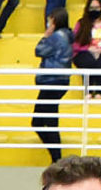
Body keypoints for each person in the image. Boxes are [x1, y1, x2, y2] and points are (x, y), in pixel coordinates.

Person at [30, 13, 71, 162]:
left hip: (52, 81)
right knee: (46, 120)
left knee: (43, 122)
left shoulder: (56, 37)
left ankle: (57, 159)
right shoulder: (67, 35)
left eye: (50, 21)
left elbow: (39, 50)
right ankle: (56, 158)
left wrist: (45, 36)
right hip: (58, 81)